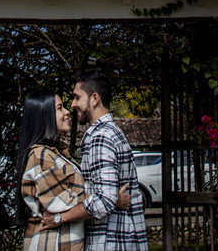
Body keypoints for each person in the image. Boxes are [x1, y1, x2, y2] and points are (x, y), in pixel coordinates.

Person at [17, 91, 131, 251]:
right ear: (44, 115)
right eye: (59, 108)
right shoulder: (41, 155)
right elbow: (60, 203)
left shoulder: (56, 152)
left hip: (64, 241)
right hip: (53, 242)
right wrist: (110, 199)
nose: (67, 111)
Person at [71, 70, 149, 251]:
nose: (73, 104)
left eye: (77, 97)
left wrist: (61, 217)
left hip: (109, 240)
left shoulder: (100, 137)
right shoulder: (111, 132)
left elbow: (104, 200)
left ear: (94, 98)